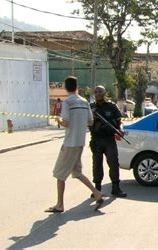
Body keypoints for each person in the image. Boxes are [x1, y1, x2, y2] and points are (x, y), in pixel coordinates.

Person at [46, 76, 104, 213]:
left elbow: (66, 123)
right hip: (80, 142)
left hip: (70, 143)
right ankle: (97, 193)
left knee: (59, 174)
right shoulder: (84, 102)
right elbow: (90, 122)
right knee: (77, 172)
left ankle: (59, 205)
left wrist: (58, 120)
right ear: (77, 87)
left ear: (66, 88)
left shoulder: (68, 102)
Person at [89, 86, 127, 198]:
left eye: (100, 91)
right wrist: (93, 118)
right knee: (97, 165)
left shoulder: (111, 106)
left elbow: (119, 121)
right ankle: (97, 189)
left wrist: (120, 130)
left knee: (114, 163)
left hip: (109, 139)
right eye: (95, 92)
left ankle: (116, 188)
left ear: (105, 92)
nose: (98, 93)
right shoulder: (91, 108)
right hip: (96, 140)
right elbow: (87, 123)